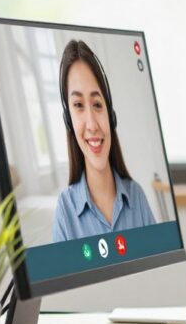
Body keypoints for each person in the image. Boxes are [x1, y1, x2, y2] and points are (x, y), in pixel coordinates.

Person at [52, 39, 156, 243]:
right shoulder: (65, 210)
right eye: (79, 105)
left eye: (98, 104)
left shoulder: (136, 195)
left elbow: (160, 271)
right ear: (68, 121)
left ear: (111, 115)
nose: (92, 124)